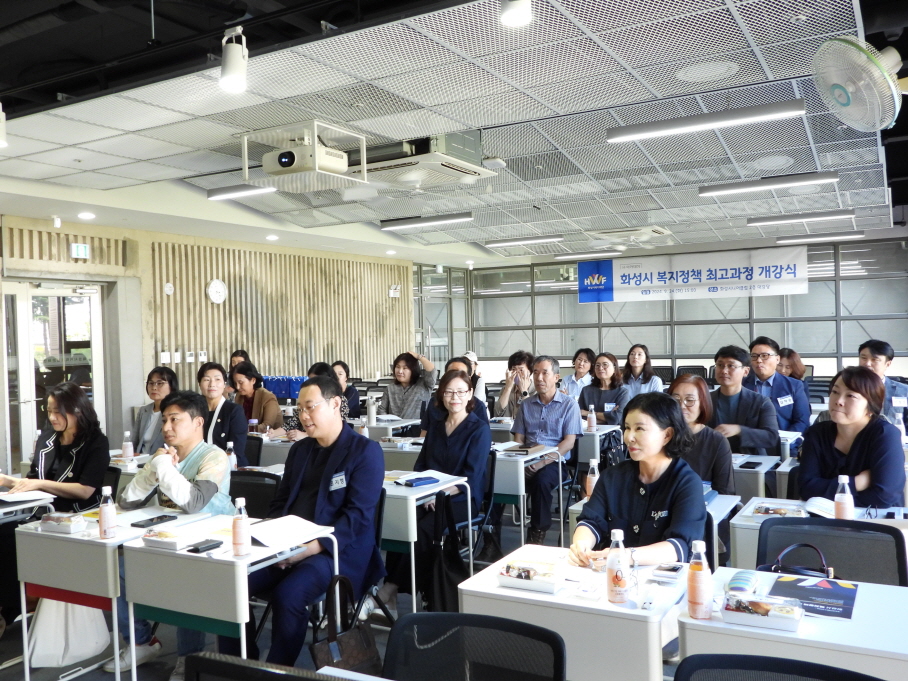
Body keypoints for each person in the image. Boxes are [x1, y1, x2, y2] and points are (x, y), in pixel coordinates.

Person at [217, 376, 384, 665]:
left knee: (289, 595)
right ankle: (241, 663)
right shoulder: (301, 450)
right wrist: (274, 544)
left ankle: (277, 670)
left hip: (335, 551)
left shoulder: (364, 452)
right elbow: (281, 503)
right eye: (299, 410)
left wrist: (309, 548)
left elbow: (357, 518)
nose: (303, 416)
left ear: (335, 404)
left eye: (310, 408)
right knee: (229, 584)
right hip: (287, 545)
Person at [108, 390, 233, 678]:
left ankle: (189, 658)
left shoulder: (214, 457)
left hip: (210, 540)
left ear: (198, 422)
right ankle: (141, 641)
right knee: (118, 568)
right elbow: (126, 501)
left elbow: (194, 503)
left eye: (175, 419)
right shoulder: (164, 456)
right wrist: (153, 471)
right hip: (171, 535)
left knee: (185, 583)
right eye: (164, 419)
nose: (166, 427)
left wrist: (164, 468)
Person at [0, 383, 110, 629]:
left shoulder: (96, 442)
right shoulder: (47, 438)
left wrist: (37, 484)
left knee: (12, 539)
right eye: (49, 411)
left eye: (58, 412)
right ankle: (9, 607)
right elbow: (32, 478)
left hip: (75, 515)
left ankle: (8, 610)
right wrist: (11, 483)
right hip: (39, 512)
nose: (52, 417)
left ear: (77, 410)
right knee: (6, 533)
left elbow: (85, 490)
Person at [380, 370, 491, 610]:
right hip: (428, 497)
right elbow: (421, 466)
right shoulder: (437, 427)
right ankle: (393, 593)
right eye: (449, 392)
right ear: (441, 395)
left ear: (470, 394)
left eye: (461, 392)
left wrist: (440, 494)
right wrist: (425, 492)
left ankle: (389, 589)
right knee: (401, 524)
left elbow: (471, 477)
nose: (455, 397)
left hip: (462, 498)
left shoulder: (478, 429)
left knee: (422, 529)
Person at [569, 392, 707, 566]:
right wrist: (581, 545)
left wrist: (627, 556)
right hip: (613, 576)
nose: (629, 437)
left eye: (639, 429)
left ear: (667, 435)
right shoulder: (612, 476)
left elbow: (679, 546)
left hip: (662, 581)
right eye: (627, 428)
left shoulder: (686, 483)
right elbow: (591, 521)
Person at [799, 366, 905, 508]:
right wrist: (856, 482)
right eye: (835, 392)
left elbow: (884, 497)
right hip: (825, 520)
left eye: (851, 396)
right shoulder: (817, 433)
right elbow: (806, 488)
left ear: (871, 406)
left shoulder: (885, 435)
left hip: (876, 520)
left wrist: (828, 495)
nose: (838, 401)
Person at [512, 355, 584, 545]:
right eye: (535, 373)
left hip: (555, 462)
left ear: (557, 377)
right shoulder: (526, 404)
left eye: (545, 373)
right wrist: (521, 458)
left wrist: (541, 462)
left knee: (541, 480)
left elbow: (568, 443)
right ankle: (490, 535)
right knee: (494, 477)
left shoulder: (569, 405)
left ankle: (537, 533)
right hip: (527, 458)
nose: (539, 378)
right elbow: (518, 437)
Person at [668, 375, 735, 495]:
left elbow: (725, 492)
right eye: (676, 399)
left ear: (702, 403)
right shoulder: (660, 436)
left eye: (689, 400)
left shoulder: (717, 441)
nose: (682, 406)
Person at [708, 345, 779, 457]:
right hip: (712, 460)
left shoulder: (761, 402)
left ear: (745, 371)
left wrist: (739, 430)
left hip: (750, 461)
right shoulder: (704, 400)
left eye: (731, 366)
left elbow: (771, 437)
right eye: (720, 365)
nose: (724, 371)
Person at [743, 336, 810, 434]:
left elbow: (802, 421)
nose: (759, 360)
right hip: (749, 444)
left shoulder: (794, 385)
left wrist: (787, 444)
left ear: (777, 359)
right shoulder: (741, 384)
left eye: (765, 356)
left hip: (784, 445)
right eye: (754, 356)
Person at [420, 357, 489, 437]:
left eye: (461, 374)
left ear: (469, 379)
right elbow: (424, 433)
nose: (455, 378)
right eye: (451, 374)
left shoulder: (478, 406)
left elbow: (483, 437)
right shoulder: (434, 402)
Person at [198, 361, 248, 466]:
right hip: (198, 467)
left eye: (217, 379)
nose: (212, 384)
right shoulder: (194, 411)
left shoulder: (234, 411)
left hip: (229, 471)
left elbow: (236, 451)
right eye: (207, 380)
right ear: (199, 384)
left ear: (224, 384)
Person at [858, 339, 908, 431]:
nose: (867, 364)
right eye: (863, 358)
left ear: (887, 364)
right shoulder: (848, 387)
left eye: (874, 359)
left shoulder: (904, 391)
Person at [378, 351, 437, 422]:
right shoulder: (390, 388)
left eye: (405, 368)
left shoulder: (424, 384)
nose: (400, 371)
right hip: (393, 429)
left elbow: (432, 371)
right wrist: (389, 423)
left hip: (417, 429)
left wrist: (419, 357)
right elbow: (382, 409)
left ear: (413, 370)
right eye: (397, 367)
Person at [133, 366, 178, 454]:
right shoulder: (143, 411)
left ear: (171, 386)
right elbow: (134, 442)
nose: (154, 387)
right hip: (139, 462)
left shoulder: (175, 412)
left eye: (160, 383)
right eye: (151, 383)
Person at [579, 352, 630, 426]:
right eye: (597, 365)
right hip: (589, 433)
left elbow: (617, 418)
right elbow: (579, 416)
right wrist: (608, 418)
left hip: (612, 435)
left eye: (605, 365)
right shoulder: (586, 391)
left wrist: (588, 413)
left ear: (614, 368)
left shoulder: (622, 392)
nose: (600, 368)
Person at [231, 361, 283, 432]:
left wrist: (242, 430)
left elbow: (267, 425)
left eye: (241, 382)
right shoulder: (239, 396)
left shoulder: (267, 397)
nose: (237, 387)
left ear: (253, 380)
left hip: (270, 440)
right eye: (235, 383)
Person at [494, 350, 535, 417]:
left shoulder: (536, 390)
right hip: (507, 427)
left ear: (530, 371)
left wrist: (524, 391)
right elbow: (497, 413)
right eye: (513, 369)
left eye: (521, 370)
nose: (517, 373)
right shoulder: (505, 389)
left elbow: (532, 415)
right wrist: (508, 388)